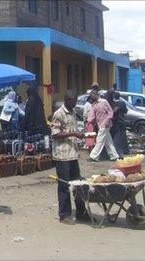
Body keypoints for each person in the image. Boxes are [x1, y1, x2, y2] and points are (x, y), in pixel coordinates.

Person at [51, 89, 88, 225]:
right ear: (67, 100)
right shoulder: (58, 114)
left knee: (78, 185)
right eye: (73, 101)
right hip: (62, 156)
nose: (75, 104)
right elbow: (55, 134)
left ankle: (81, 213)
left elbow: (72, 131)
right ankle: (64, 215)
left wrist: (80, 134)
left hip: (72, 155)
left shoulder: (73, 112)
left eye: (76, 101)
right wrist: (72, 134)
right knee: (64, 186)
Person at [87, 90, 119, 162]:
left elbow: (110, 112)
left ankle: (93, 156)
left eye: (92, 95)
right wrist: (89, 122)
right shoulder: (94, 104)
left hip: (105, 124)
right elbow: (92, 115)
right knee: (108, 141)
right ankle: (114, 156)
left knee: (99, 140)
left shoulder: (104, 102)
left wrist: (107, 120)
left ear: (96, 94)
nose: (91, 97)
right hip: (100, 124)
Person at [111, 91, 129, 158]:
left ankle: (117, 150)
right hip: (122, 122)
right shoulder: (122, 103)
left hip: (115, 122)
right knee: (123, 136)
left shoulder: (113, 103)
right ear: (119, 96)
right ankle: (125, 150)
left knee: (116, 137)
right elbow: (126, 111)